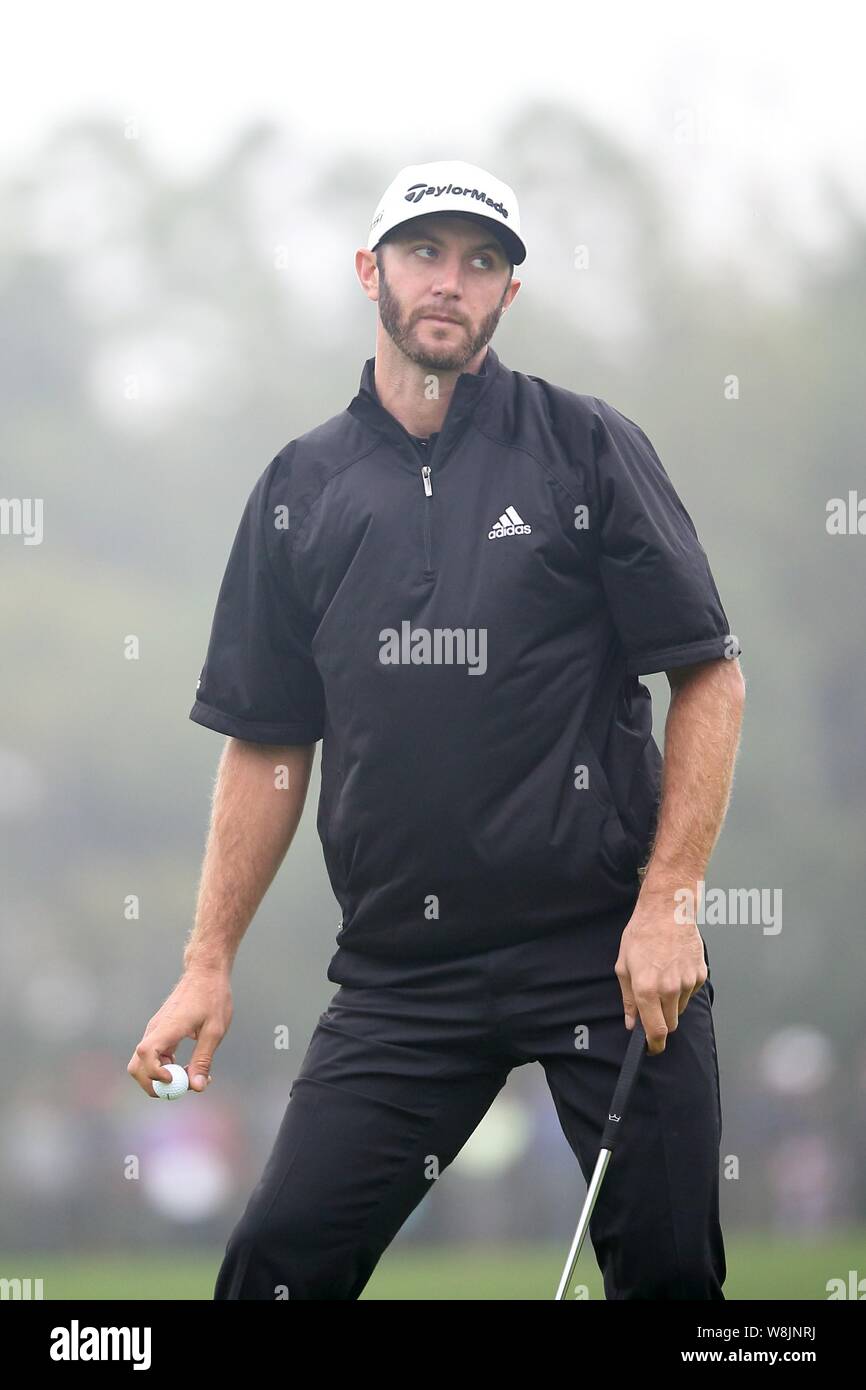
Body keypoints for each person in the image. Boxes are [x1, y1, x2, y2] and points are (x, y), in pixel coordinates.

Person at [128, 159, 746, 1299]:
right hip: (403, 976)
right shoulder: (298, 488)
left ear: (508, 294)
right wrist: (205, 963)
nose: (450, 281)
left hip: (603, 952)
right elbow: (267, 743)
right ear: (370, 271)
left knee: (670, 1286)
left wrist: (669, 903)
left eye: (482, 261)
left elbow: (707, 675)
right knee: (273, 1270)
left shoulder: (583, 446)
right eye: (424, 253)